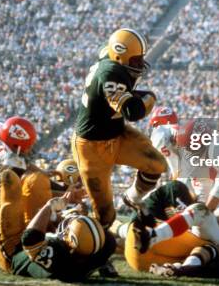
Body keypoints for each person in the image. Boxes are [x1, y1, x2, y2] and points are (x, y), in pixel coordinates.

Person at [71, 28, 167, 227]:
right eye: (135, 60)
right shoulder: (111, 73)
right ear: (119, 56)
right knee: (105, 215)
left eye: (140, 59)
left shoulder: (112, 58)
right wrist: (149, 98)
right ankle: (88, 242)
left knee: (156, 165)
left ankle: (132, 198)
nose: (139, 64)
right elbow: (133, 112)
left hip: (117, 133)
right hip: (91, 148)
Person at [0, 171, 115, 281]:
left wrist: (50, 206)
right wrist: (65, 199)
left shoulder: (58, 257)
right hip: (43, 239)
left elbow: (29, 238)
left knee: (7, 179)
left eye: (68, 223)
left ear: (68, 240)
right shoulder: (104, 243)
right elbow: (87, 234)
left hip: (16, 250)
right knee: (37, 179)